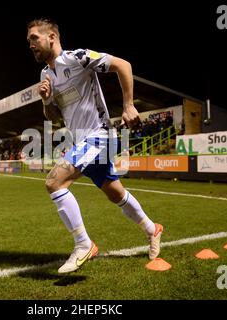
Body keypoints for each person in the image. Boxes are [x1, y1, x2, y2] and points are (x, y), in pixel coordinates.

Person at [27, 19, 163, 274]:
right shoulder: (45, 75)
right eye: (29, 41)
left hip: (100, 135)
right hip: (81, 141)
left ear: (52, 36)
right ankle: (152, 229)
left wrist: (128, 105)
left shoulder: (78, 57)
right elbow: (53, 118)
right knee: (115, 193)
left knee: (54, 182)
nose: (31, 45)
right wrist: (46, 101)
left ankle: (83, 245)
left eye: (34, 38)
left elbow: (123, 65)